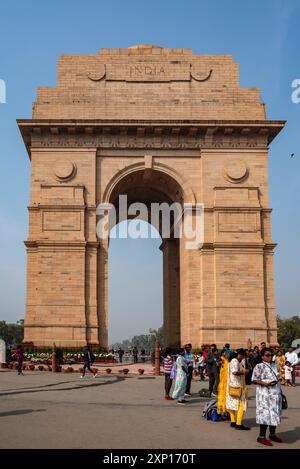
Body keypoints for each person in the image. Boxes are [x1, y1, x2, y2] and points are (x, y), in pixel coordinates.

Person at [252, 347, 283, 446]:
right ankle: (261, 437)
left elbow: (277, 377)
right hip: (264, 395)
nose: (270, 357)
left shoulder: (274, 365)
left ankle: (272, 434)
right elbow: (254, 379)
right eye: (267, 355)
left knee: (274, 414)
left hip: (275, 393)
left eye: (271, 355)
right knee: (265, 415)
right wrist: (265, 383)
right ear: (262, 356)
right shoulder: (259, 366)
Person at [218, 349, 250, 430]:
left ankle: (233, 422)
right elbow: (235, 372)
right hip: (237, 387)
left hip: (230, 386)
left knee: (232, 404)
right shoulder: (235, 361)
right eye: (242, 356)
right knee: (242, 404)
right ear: (239, 355)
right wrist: (244, 372)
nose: (242, 358)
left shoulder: (230, 361)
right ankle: (238, 424)